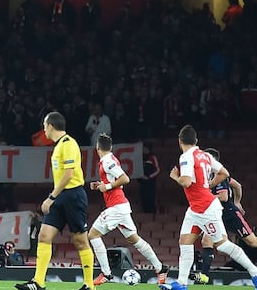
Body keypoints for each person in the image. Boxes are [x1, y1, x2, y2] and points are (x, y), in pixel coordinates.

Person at [160, 125, 257, 290]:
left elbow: (185, 181)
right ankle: (181, 283)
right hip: (195, 209)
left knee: (222, 244)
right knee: (185, 242)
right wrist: (208, 185)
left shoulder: (185, 157)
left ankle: (255, 271)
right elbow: (224, 173)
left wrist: (175, 176)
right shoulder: (206, 156)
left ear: (180, 142)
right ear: (196, 141)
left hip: (206, 208)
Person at [16, 111, 95, 290]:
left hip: (73, 195)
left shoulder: (68, 143)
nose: (44, 130)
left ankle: (89, 285)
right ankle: (38, 282)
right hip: (61, 195)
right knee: (44, 235)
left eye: (45, 126)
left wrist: (51, 197)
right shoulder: (58, 145)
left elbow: (68, 175)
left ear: (51, 126)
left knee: (80, 241)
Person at [87, 134, 168, 285]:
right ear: (110, 147)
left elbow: (124, 179)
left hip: (116, 207)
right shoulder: (111, 159)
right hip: (121, 206)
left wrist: (108, 186)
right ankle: (160, 268)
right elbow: (115, 180)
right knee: (134, 239)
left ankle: (106, 273)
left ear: (97, 147)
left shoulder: (107, 161)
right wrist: (100, 185)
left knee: (93, 235)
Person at [193, 148, 257, 284]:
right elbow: (237, 186)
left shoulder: (218, 174)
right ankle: (204, 276)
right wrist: (238, 201)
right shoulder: (206, 176)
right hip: (215, 214)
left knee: (253, 242)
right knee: (206, 241)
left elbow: (223, 197)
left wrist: (233, 203)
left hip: (229, 214)